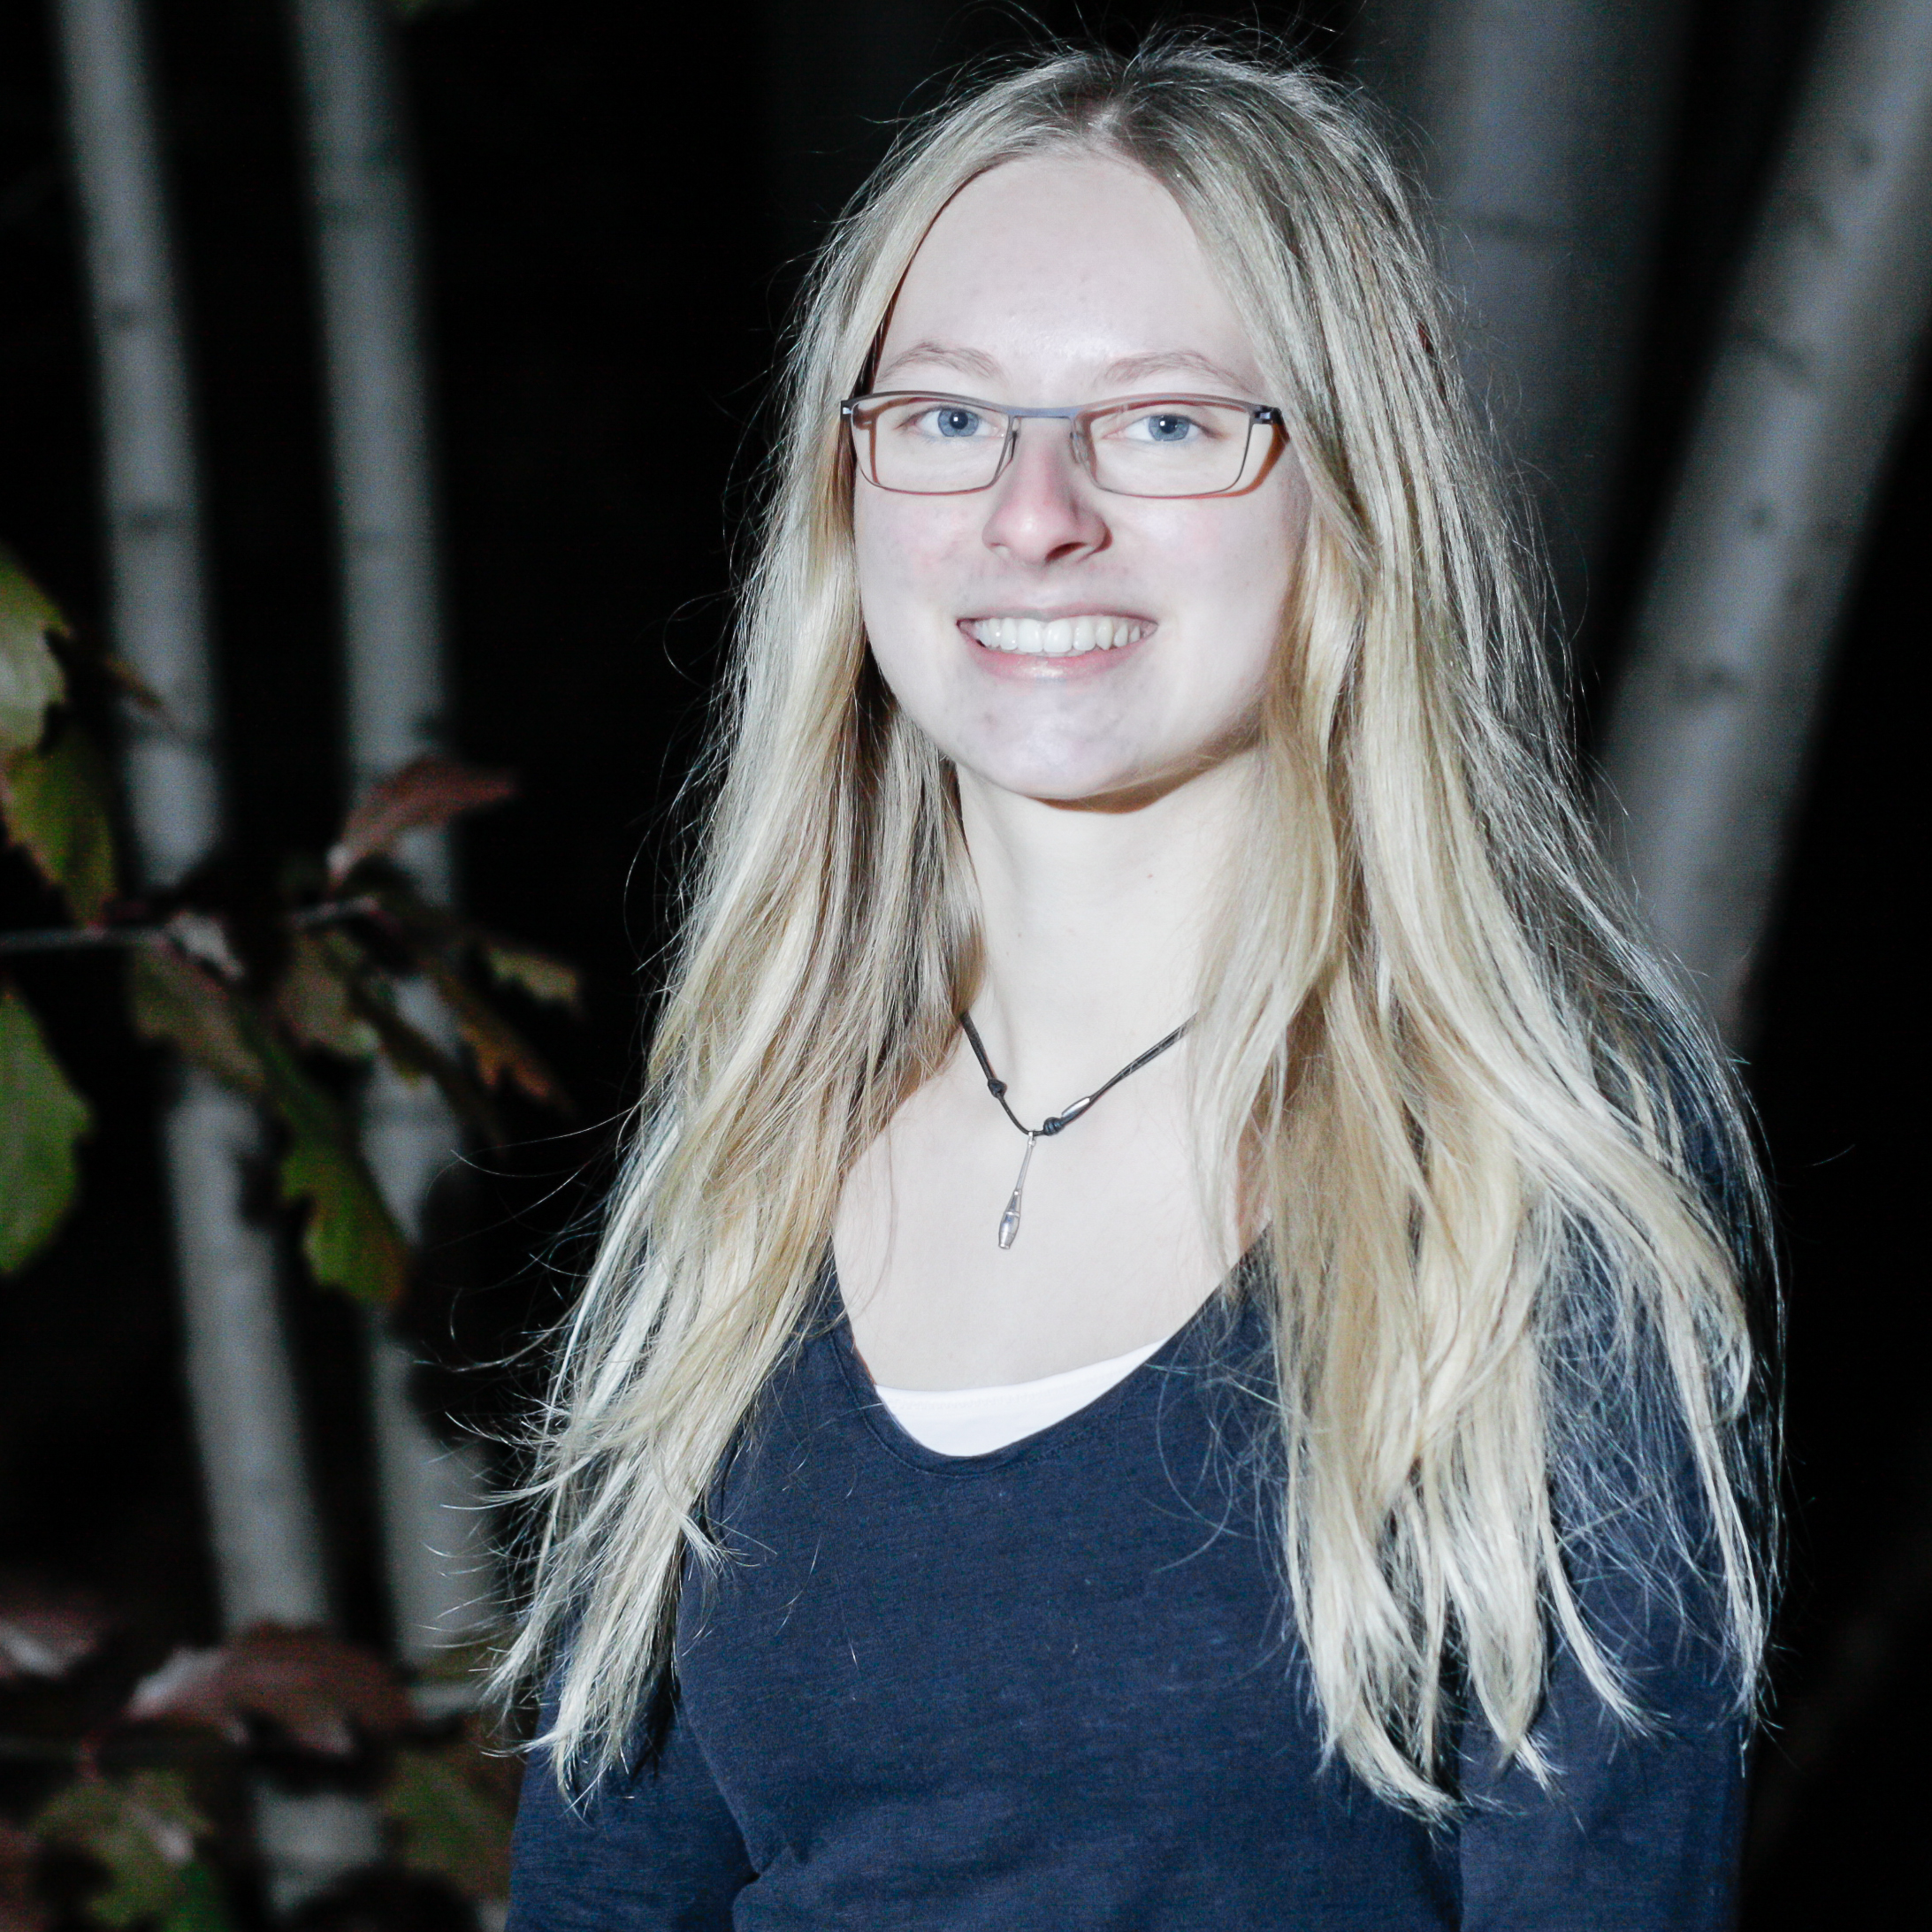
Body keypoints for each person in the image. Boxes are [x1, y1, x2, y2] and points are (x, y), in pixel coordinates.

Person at [501, 38, 1776, 1930]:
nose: (1033, 513)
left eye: (1163, 424)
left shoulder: (1525, 1175)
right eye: (947, 415)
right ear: (844, 492)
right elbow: (602, 1891)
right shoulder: (747, 1155)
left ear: (1348, 487)